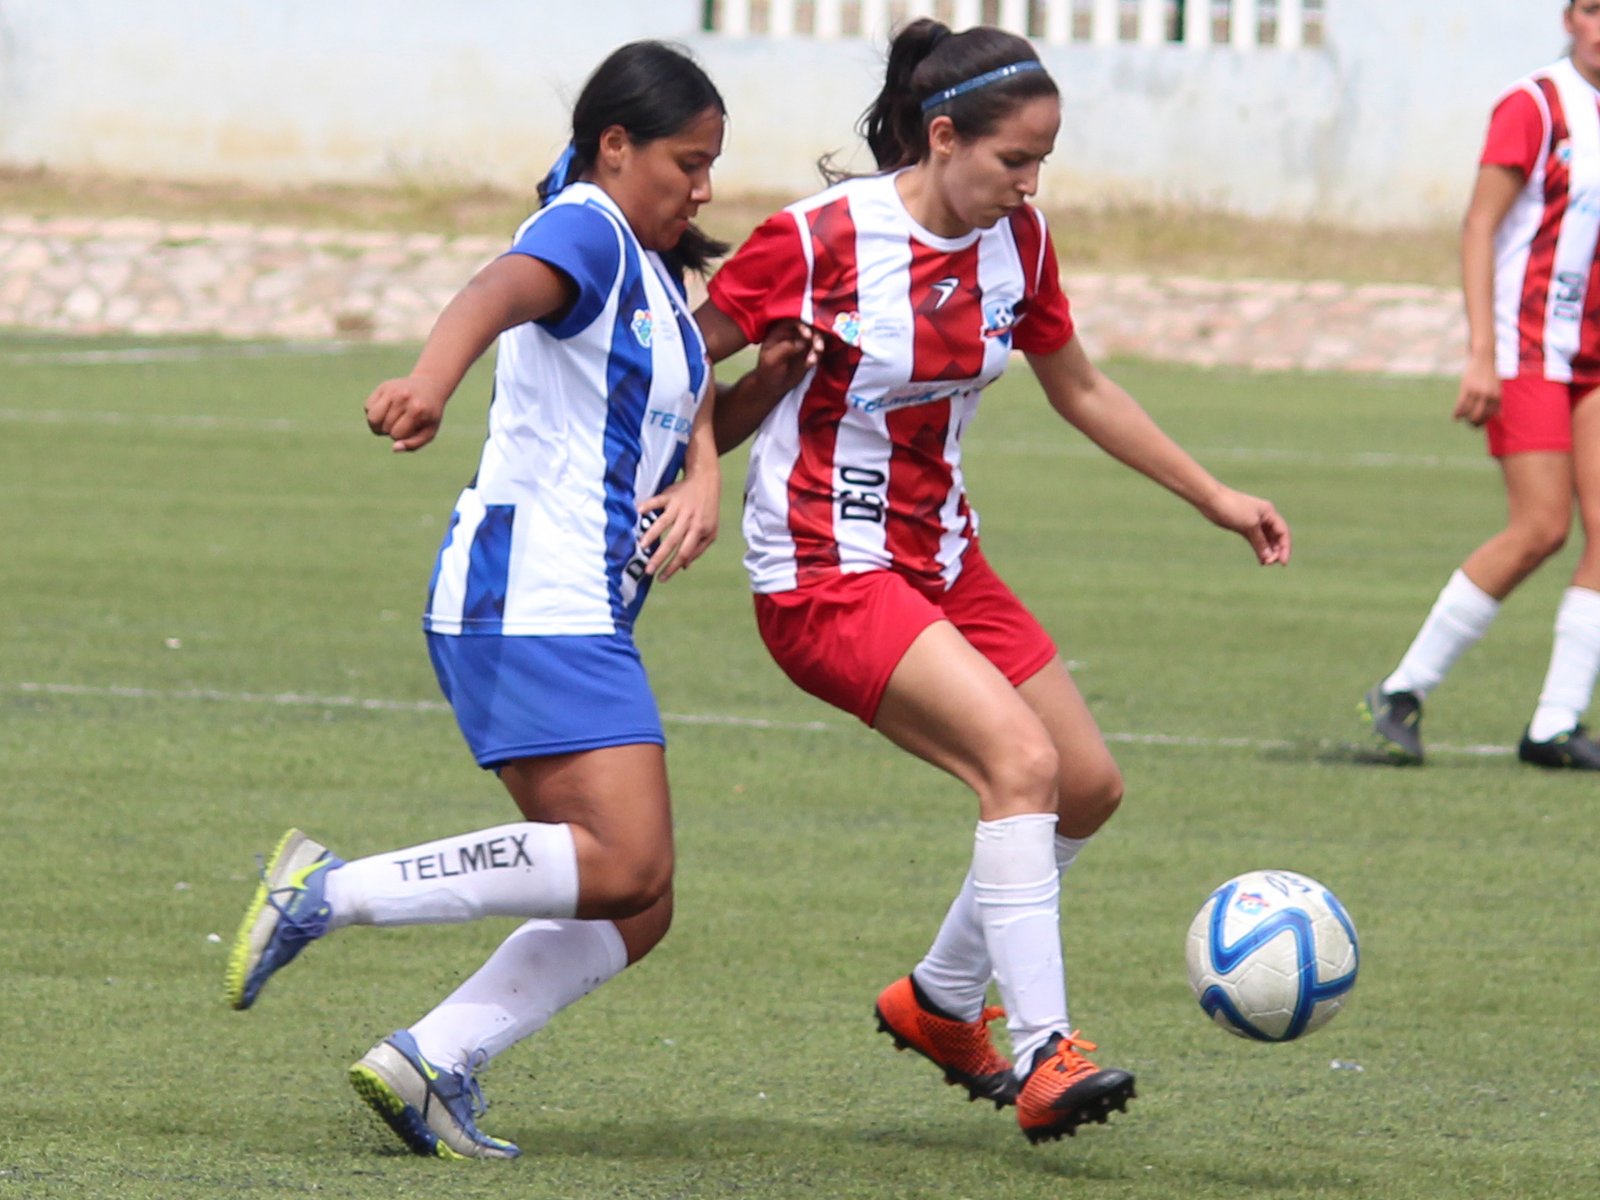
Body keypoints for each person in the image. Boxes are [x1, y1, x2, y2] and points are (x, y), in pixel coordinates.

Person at [695, 20, 1291, 1144]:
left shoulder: (1020, 241)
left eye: (1043, 162)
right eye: (1015, 160)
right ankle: (1044, 1050)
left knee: (1087, 786)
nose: (1030, 185)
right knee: (1020, 764)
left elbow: (1082, 387)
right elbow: (682, 358)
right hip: (825, 568)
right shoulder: (818, 240)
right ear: (942, 137)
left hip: (943, 560)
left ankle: (940, 998)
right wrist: (697, 474)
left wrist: (1213, 496)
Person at [223, 41, 767, 1160]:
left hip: (567, 605)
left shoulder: (651, 273)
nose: (705, 189)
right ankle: (330, 890)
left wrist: (757, 401)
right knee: (626, 865)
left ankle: (432, 1058)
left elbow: (666, 427)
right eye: (689, 162)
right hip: (530, 596)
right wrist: (431, 382)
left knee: (636, 903)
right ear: (614, 147)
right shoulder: (586, 226)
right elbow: (494, 289)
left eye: (712, 165)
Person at [1362, 1, 1600, 770]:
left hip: (1593, 355)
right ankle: (1403, 688)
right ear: (1569, 18)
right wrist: (1481, 353)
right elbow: (1479, 225)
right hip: (1528, 348)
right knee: (1541, 527)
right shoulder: (1535, 105)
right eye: (1594, 9)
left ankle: (1554, 726)